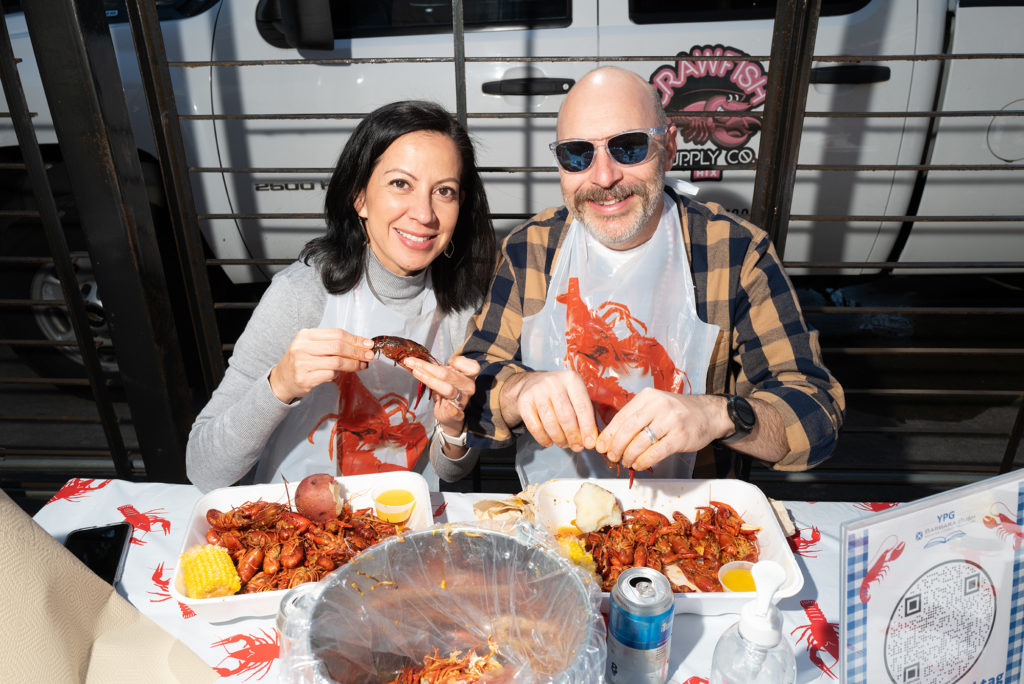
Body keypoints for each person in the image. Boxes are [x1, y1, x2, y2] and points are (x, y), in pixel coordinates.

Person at [461, 67, 845, 486]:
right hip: (553, 512)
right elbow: (470, 388)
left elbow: (816, 417)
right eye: (577, 154)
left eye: (629, 148)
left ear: (670, 146)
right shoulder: (530, 249)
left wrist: (718, 413)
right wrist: (519, 392)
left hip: (685, 517)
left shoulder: (734, 251)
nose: (604, 178)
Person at [186, 100, 496, 492]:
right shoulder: (300, 296)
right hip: (290, 526)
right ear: (360, 198)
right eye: (401, 183)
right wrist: (279, 384)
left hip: (397, 524)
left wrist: (454, 430)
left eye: (445, 192)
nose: (424, 213)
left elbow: (450, 472)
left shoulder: (462, 310)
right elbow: (203, 469)